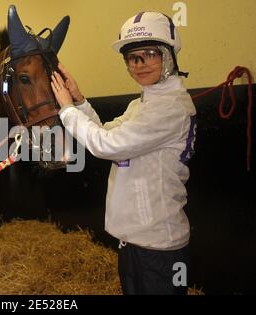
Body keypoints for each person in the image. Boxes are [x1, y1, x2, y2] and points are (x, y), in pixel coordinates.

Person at [51, 11, 197, 295]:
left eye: (150, 54)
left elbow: (106, 145)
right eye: (132, 58)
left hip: (158, 248)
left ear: (168, 56)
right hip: (136, 241)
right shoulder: (142, 105)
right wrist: (79, 101)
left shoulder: (170, 107)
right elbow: (106, 132)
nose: (140, 64)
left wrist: (67, 109)